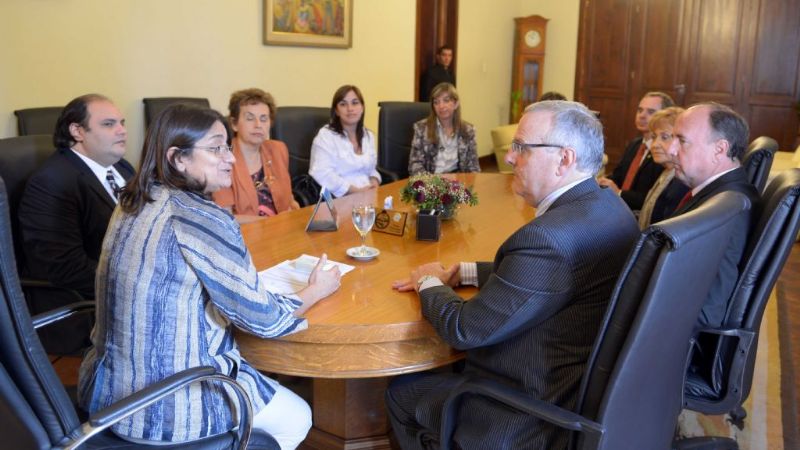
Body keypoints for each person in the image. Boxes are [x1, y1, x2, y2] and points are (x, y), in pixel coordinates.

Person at [77, 104, 342, 449]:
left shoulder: (132, 201)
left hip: (108, 391)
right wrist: (316, 290)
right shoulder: (200, 217)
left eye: (227, 147)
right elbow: (264, 320)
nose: (230, 158)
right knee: (298, 416)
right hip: (167, 403)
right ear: (178, 158)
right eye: (216, 148)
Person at [386, 101, 640, 449]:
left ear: (564, 159)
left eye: (522, 147)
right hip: (575, 387)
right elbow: (556, 275)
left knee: (401, 391)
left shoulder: (547, 240)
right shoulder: (608, 207)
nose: (508, 157)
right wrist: (468, 272)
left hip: (524, 411)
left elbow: (464, 329)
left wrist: (427, 279)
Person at [18, 93, 134, 353]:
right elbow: (64, 268)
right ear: (77, 131)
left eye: (122, 122)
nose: (122, 131)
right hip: (88, 305)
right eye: (108, 124)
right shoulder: (52, 182)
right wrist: (135, 281)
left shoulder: (122, 168)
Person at [665, 102, 759, 327]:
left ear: (719, 149)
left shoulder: (727, 209)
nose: (670, 150)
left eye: (682, 140)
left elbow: (708, 311)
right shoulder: (719, 194)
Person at [213, 88, 299, 218]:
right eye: (250, 118)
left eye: (264, 119)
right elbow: (226, 217)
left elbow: (289, 199)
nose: (258, 125)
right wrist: (270, 222)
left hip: (283, 229)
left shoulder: (278, 149)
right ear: (234, 124)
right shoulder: (222, 158)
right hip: (245, 235)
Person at [599, 91, 674, 210]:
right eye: (640, 110)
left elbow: (653, 199)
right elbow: (618, 176)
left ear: (664, 117)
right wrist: (603, 183)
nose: (642, 115)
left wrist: (619, 193)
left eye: (650, 112)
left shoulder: (664, 153)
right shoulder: (635, 144)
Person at [309, 84, 380, 198]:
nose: (350, 109)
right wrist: (354, 191)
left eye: (355, 103)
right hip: (339, 199)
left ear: (362, 107)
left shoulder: (368, 136)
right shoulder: (326, 136)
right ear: (336, 111)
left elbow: (371, 169)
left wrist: (374, 180)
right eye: (343, 104)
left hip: (368, 195)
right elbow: (321, 172)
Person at [408, 82, 480, 175]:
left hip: (458, 183)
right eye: (436, 102)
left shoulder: (468, 130)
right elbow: (414, 166)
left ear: (456, 104)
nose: (441, 106)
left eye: (446, 100)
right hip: (430, 182)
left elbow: (474, 167)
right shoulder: (421, 128)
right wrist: (434, 184)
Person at [638, 106, 689, 228]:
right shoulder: (666, 171)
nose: (655, 145)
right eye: (654, 137)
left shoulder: (681, 181)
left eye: (664, 137)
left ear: (681, 140)